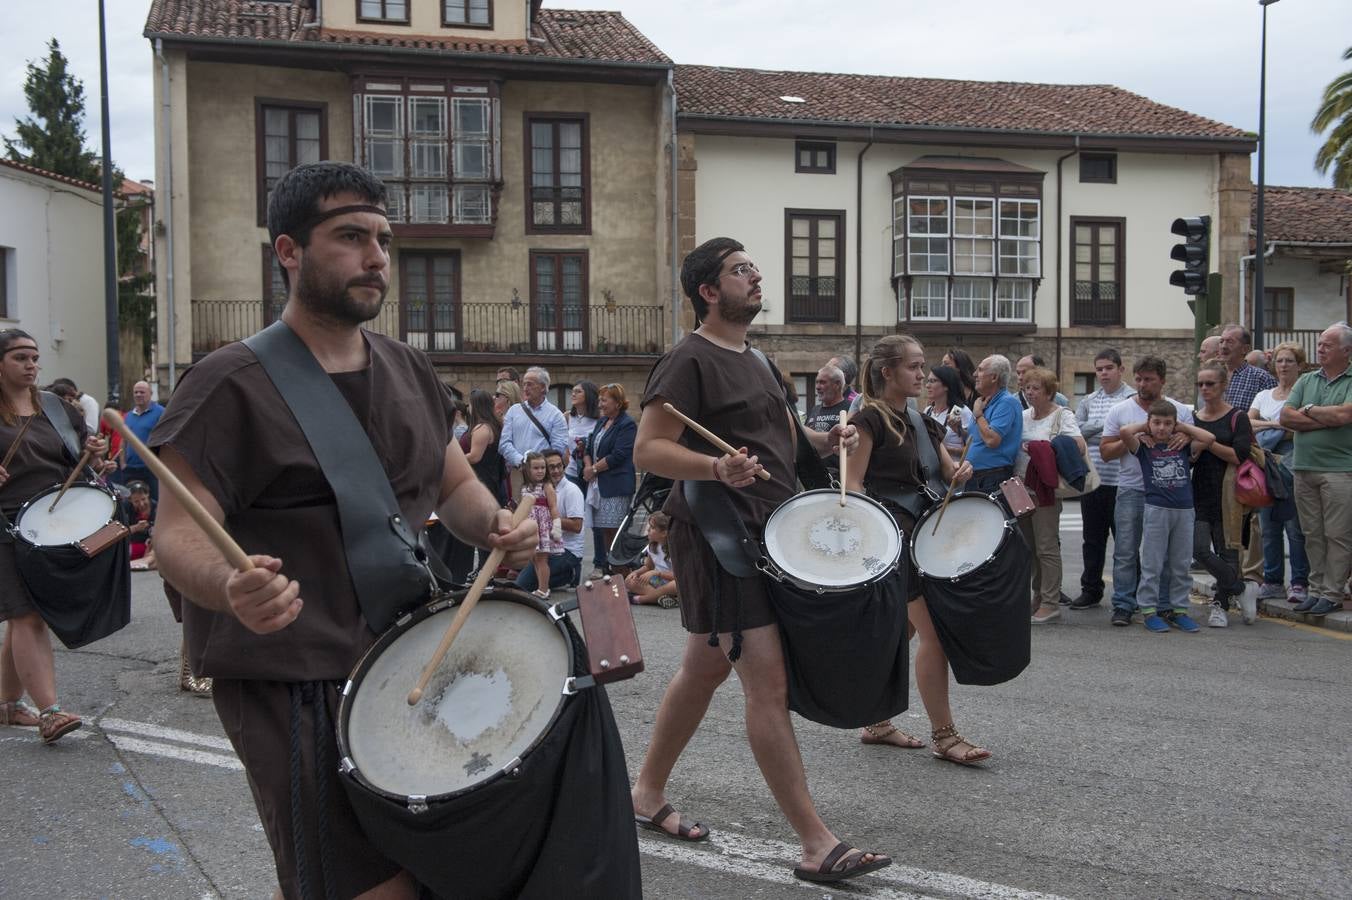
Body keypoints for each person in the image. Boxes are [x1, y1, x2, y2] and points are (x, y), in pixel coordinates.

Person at [148, 162, 537, 899]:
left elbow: (452, 483)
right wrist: (230, 587)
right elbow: (175, 533)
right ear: (288, 252)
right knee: (363, 881)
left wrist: (494, 525)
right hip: (291, 672)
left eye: (384, 241)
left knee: (405, 869)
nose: (376, 259)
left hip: (405, 653)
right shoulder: (228, 382)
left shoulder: (407, 368)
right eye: (351, 237)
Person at [631, 237, 888, 884]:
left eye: (752, 267)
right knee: (765, 682)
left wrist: (827, 440)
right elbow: (649, 450)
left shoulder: (762, 362)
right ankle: (815, 842)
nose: (755, 275)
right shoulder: (687, 360)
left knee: (703, 667)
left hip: (768, 532)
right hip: (721, 537)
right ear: (709, 291)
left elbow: (783, 438)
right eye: (740, 270)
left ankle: (645, 792)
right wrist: (713, 465)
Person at [845, 334, 986, 763]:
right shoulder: (868, 419)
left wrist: (960, 470)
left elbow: (947, 470)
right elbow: (852, 486)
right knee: (934, 636)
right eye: (914, 367)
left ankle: (876, 721)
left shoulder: (922, 421)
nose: (923, 375)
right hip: (898, 540)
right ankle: (945, 736)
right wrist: (875, 540)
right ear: (887, 371)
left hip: (928, 535)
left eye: (924, 366)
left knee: (900, 633)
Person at [0, 328, 106, 742]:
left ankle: (8, 705)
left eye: (34, 357)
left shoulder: (57, 408)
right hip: (5, 523)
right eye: (20, 358)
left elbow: (80, 454)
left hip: (54, 522)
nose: (31, 365)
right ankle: (50, 711)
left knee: (26, 614)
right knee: (25, 614)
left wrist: (93, 455)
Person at [1100, 356, 1194, 628]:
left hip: (1169, 493)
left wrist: (1186, 435)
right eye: (1139, 379)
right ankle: (1123, 605)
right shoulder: (1121, 411)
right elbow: (1105, 452)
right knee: (1126, 550)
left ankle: (1164, 605)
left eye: (1149, 379)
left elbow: (1196, 444)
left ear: (1162, 380)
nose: (1142, 385)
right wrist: (1132, 440)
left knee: (1165, 555)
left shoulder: (1178, 410)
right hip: (1131, 487)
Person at [1117, 400, 1214, 633]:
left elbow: (1209, 439)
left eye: (1167, 423)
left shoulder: (1180, 445)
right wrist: (1145, 428)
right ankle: (1149, 610)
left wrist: (1183, 428)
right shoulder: (1144, 447)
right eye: (1157, 423)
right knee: (1152, 563)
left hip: (1184, 510)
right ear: (1150, 423)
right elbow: (1124, 432)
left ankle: (1179, 609)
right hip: (1156, 509)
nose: (1162, 428)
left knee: (1180, 564)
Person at [1280, 322, 1352, 617]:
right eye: (1320, 343)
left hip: (1340, 470)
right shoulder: (1308, 379)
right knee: (1312, 533)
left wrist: (1307, 411)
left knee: (1338, 534)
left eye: (1327, 345)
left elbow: (1346, 414)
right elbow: (1286, 416)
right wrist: (1326, 418)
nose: (1320, 348)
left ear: (1346, 351)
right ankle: (1317, 589)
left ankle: (1333, 593)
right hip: (1304, 467)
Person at [1016, 368, 1085, 624]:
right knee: (1029, 547)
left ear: (1049, 392)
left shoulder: (1062, 415)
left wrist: (1040, 448)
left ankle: (1051, 602)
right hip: (1020, 488)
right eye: (1027, 389)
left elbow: (1079, 445)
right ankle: (1038, 596)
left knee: (1046, 546)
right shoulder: (1023, 415)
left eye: (1035, 388)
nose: (1030, 393)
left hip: (1045, 490)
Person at [1191, 360, 1256, 627]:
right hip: (1199, 492)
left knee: (1228, 552)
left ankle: (1221, 603)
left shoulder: (1237, 417)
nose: (1205, 389)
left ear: (1223, 385)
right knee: (1199, 550)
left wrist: (1208, 443)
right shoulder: (1193, 418)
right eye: (1201, 384)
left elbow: (1239, 456)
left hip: (1229, 494)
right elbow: (1189, 456)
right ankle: (1241, 588)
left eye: (1210, 384)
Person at [1071, 349, 1136, 609]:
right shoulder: (1089, 399)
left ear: (1121, 369)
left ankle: (1130, 593)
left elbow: (1132, 434)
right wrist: (1109, 428)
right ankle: (1091, 589)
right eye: (1099, 369)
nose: (1104, 373)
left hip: (1124, 481)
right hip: (1094, 479)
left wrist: (1098, 430)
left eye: (1109, 368)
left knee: (1126, 542)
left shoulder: (1132, 398)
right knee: (1092, 540)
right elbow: (1077, 433)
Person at [1248, 341, 1310, 605]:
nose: (1283, 366)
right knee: (1268, 524)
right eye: (1280, 361)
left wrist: (1272, 427)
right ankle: (1272, 581)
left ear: (1300, 366)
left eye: (1289, 361)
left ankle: (1299, 582)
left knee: (1294, 526)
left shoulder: (1305, 393)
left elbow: (1300, 427)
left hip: (1293, 462)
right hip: (1265, 462)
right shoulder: (1264, 395)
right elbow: (1248, 423)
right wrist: (1278, 423)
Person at [1219, 324, 1278, 589]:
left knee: (1252, 517)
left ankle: (1253, 574)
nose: (1224, 345)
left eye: (1230, 341)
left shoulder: (1260, 378)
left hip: (1248, 455)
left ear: (1244, 348)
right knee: (1222, 515)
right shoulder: (1215, 375)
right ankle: (1230, 571)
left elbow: (1273, 413)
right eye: (1221, 341)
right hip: (1217, 454)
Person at [583, 383, 637, 578]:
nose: (600, 404)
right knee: (603, 529)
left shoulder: (627, 424)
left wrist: (594, 469)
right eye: (600, 400)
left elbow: (620, 454)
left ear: (617, 402)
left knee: (615, 530)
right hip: (599, 484)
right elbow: (589, 447)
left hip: (616, 485)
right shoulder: (602, 421)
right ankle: (610, 566)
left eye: (604, 400)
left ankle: (621, 570)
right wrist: (589, 467)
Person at [515, 449, 585, 592]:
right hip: (542, 541)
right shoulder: (533, 486)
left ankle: (570, 573)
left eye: (559, 466)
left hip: (567, 550)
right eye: (551, 467)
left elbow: (577, 526)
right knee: (522, 580)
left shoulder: (571, 490)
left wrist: (549, 520)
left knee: (527, 581)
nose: (557, 470)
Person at [499, 366, 569, 486]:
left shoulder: (555, 415)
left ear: (543, 387)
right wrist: (521, 462)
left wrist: (537, 466)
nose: (525, 388)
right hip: (518, 473)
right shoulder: (514, 411)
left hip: (544, 475)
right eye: (524, 384)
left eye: (530, 384)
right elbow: (504, 444)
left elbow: (558, 448)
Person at [966, 355, 1022, 493]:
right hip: (977, 476)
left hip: (993, 477)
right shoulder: (985, 402)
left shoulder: (1007, 402)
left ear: (994, 378)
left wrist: (978, 415)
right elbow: (976, 438)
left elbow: (992, 440)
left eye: (980, 370)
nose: (974, 375)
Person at [520, 450, 563, 599]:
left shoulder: (547, 486)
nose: (540, 471)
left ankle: (544, 589)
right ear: (528, 469)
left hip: (542, 526)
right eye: (536, 468)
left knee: (542, 559)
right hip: (530, 525)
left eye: (543, 468)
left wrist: (556, 525)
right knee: (534, 558)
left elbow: (553, 507)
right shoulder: (525, 487)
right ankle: (540, 587)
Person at [121, 381, 165, 502]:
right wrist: (123, 463)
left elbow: (166, 439)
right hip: (130, 468)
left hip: (151, 468)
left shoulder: (161, 413)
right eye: (136, 392)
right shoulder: (129, 416)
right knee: (129, 503)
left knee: (153, 503)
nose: (138, 395)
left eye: (142, 392)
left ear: (150, 394)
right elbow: (124, 440)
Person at [624, 511, 679, 608]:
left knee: (676, 585)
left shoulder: (675, 550)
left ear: (664, 533)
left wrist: (658, 573)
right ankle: (663, 598)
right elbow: (648, 566)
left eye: (652, 528)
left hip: (671, 582)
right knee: (629, 580)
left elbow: (679, 576)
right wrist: (637, 573)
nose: (648, 530)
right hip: (657, 582)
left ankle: (641, 599)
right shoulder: (652, 546)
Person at [804, 364, 851, 475]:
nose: (817, 387)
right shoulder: (815, 410)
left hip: (838, 478)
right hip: (813, 475)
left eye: (823, 382)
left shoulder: (849, 410)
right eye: (817, 382)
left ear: (837, 384)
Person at [464, 387, 507, 506]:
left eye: (470, 404)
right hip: (491, 479)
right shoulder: (493, 425)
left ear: (476, 406)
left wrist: (455, 459)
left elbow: (474, 457)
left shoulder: (482, 428)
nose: (468, 408)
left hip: (482, 480)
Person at [922, 365, 974, 461]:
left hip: (953, 469)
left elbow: (973, 447)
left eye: (933, 381)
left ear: (946, 385)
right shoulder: (928, 411)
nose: (927, 385)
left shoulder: (959, 411)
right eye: (928, 381)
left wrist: (944, 449)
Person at [565, 381, 600, 494]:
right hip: (571, 472)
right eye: (573, 391)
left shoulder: (600, 419)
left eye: (578, 391)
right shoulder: (567, 417)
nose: (573, 394)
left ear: (589, 395)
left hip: (593, 473)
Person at [123, 480, 157, 569]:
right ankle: (148, 562)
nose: (141, 504)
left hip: (151, 546)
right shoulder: (126, 508)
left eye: (143, 499)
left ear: (148, 495)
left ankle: (147, 561)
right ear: (130, 500)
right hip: (133, 545)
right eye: (136, 501)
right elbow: (118, 532)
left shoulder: (156, 508)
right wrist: (135, 528)